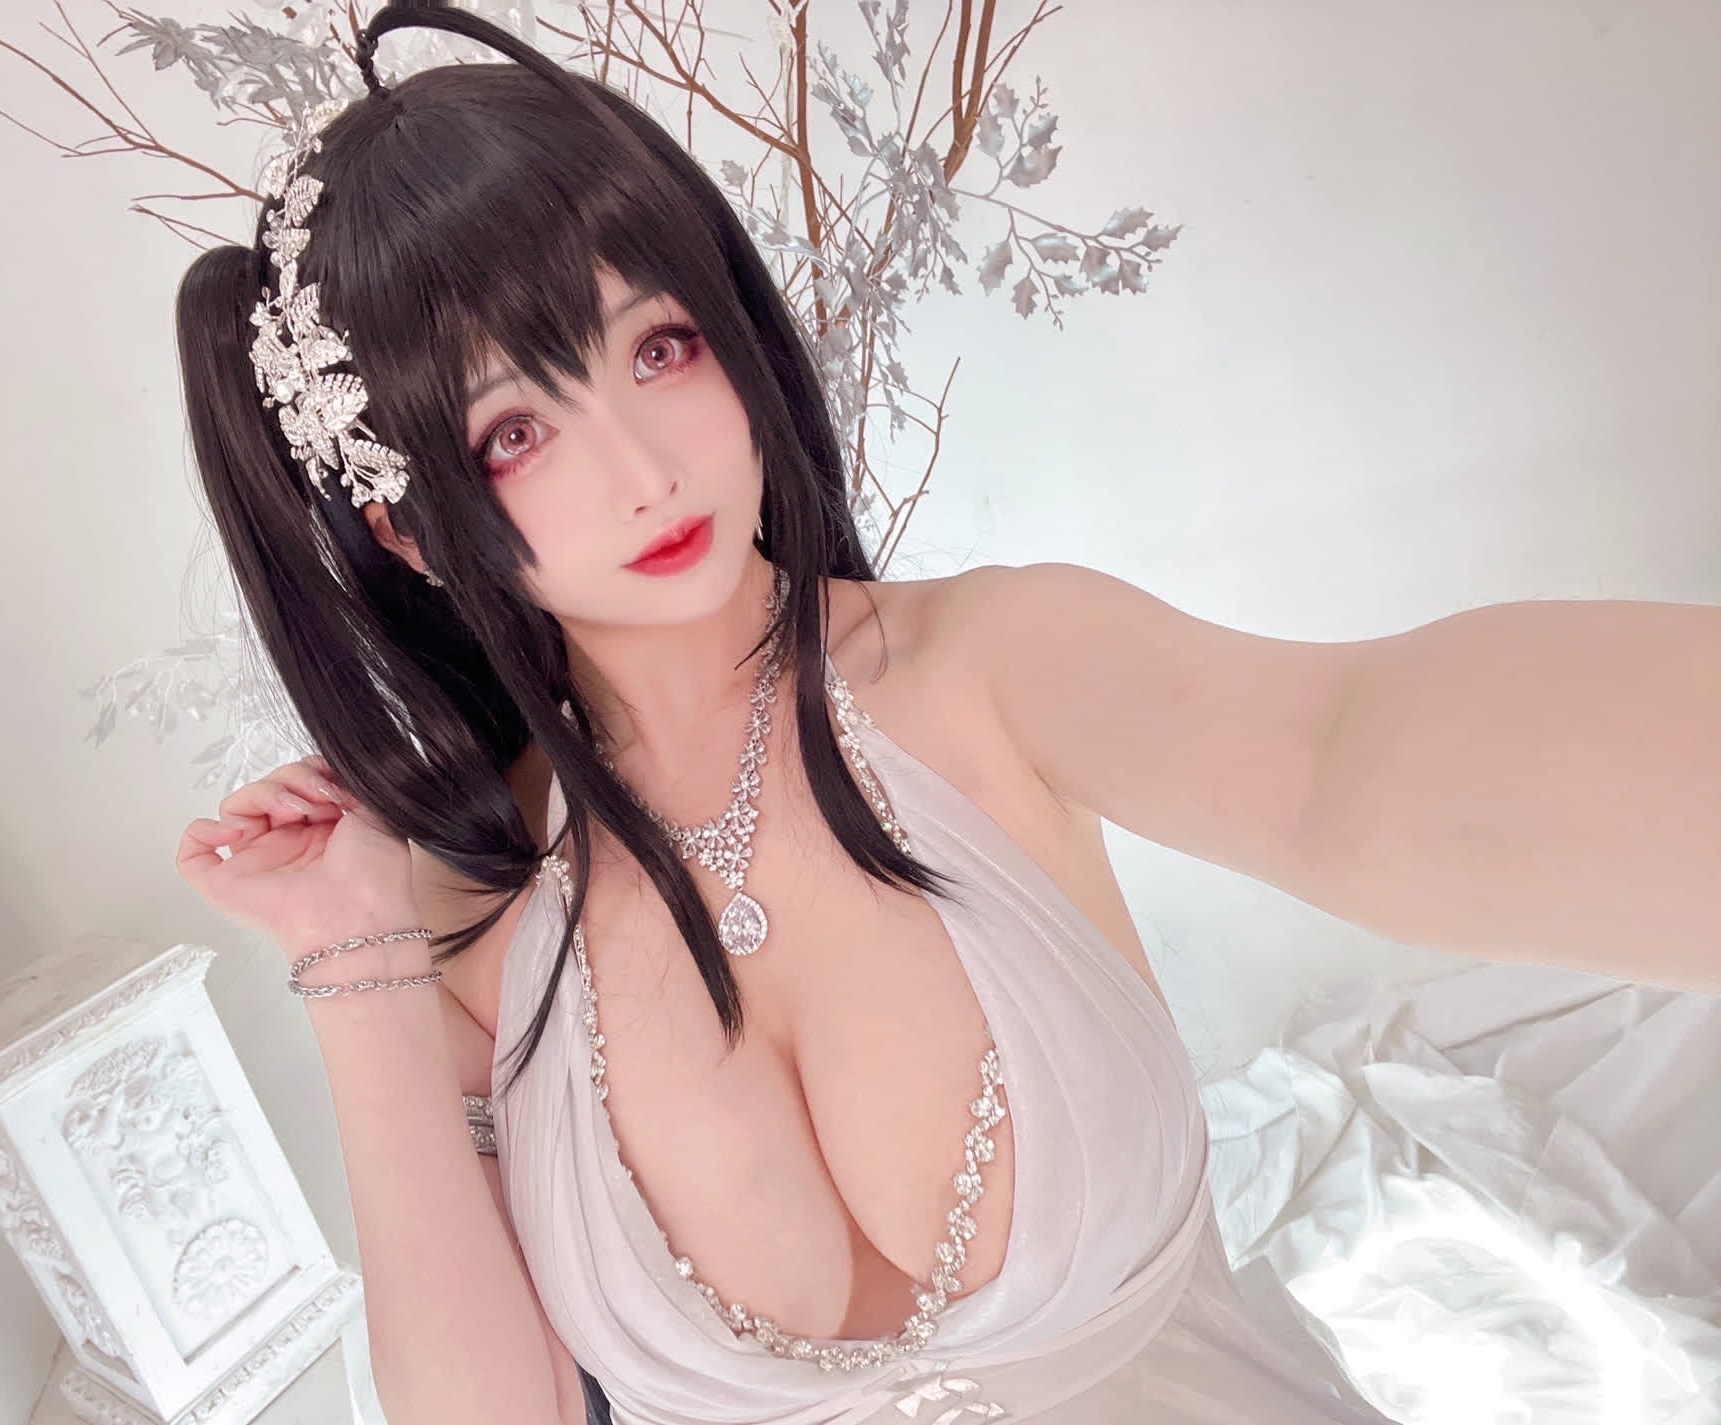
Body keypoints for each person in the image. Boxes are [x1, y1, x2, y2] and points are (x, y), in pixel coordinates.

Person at [173, 4, 1402, 1422]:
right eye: (514, 433)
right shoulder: (472, 920)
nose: (643, 472)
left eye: (659, 348)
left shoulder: (988, 668)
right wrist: (356, 960)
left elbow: (1344, 760)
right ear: (408, 531)